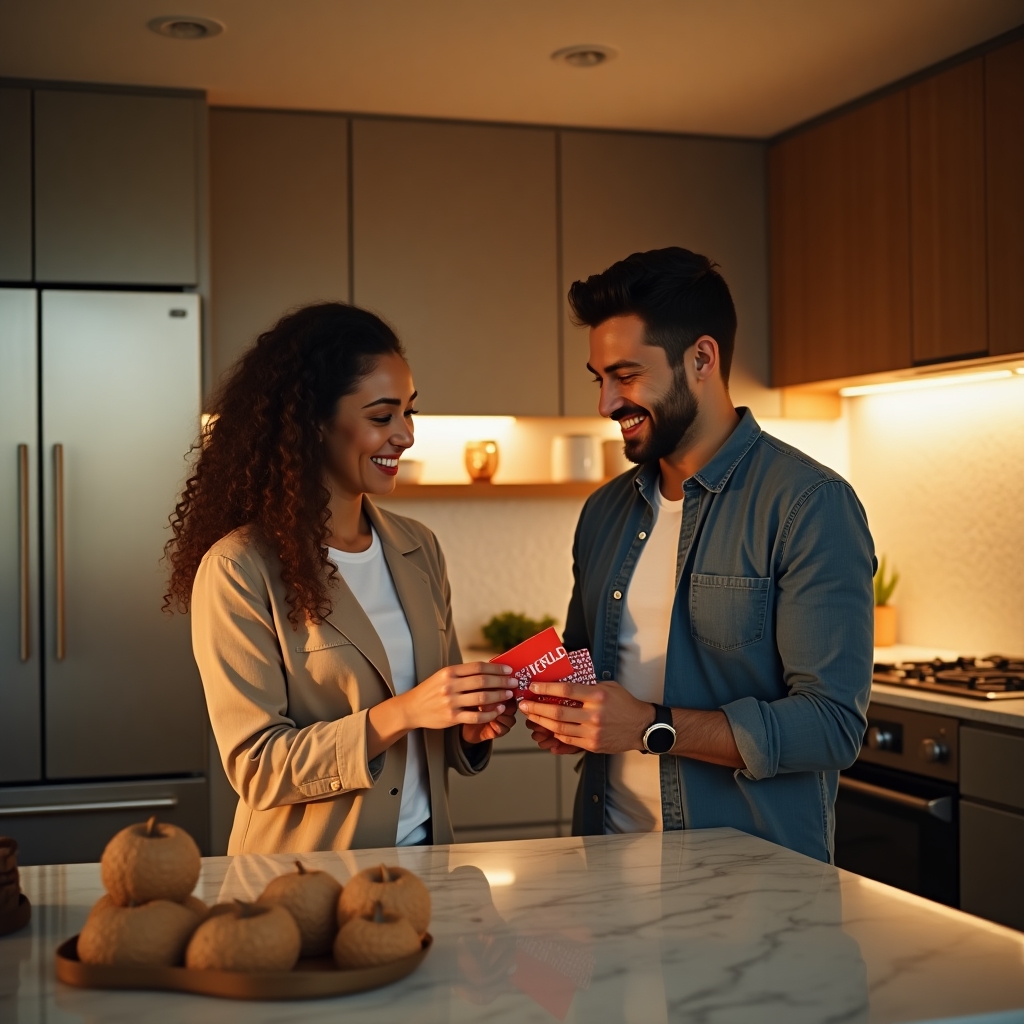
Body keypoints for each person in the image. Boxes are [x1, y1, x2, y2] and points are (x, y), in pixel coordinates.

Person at [521, 247, 875, 862]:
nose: (605, 404)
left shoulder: (809, 505)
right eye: (598, 379)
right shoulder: (605, 511)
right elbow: (589, 667)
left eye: (625, 376)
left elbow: (831, 727)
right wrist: (557, 708)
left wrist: (651, 727)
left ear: (701, 359)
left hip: (750, 887)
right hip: (605, 868)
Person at [164, 303, 516, 853]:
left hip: (427, 865)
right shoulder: (239, 569)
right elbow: (257, 767)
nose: (406, 435)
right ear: (313, 424)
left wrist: (469, 729)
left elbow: (435, 738)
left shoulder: (419, 548)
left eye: (409, 413)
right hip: (302, 884)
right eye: (382, 417)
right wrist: (403, 712)